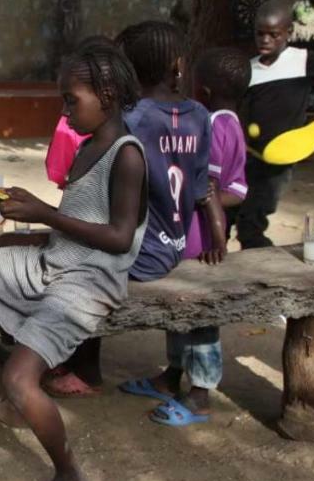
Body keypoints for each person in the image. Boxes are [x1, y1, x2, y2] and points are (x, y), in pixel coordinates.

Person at [0, 40, 147, 481]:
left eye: (73, 100)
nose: (66, 113)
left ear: (107, 95)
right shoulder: (89, 147)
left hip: (87, 284)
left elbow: (118, 238)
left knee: (18, 377)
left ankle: (69, 477)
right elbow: (68, 233)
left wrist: (44, 213)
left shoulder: (127, 156)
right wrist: (10, 234)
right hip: (57, 264)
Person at [48, 22, 218, 398]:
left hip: (141, 256)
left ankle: (82, 368)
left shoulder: (132, 120)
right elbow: (202, 185)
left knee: (72, 256)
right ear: (177, 66)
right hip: (176, 246)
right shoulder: (200, 116)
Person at [118, 47, 250, 425]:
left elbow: (210, 189)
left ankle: (200, 394)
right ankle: (173, 375)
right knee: (181, 307)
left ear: (202, 88)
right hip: (189, 232)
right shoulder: (224, 119)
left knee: (200, 315)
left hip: (200, 239)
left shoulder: (212, 122)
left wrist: (217, 237)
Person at [234, 0, 314, 249]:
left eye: (274, 34)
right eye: (260, 33)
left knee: (252, 220)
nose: (265, 40)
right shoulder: (249, 68)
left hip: (280, 159)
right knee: (231, 212)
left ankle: (261, 268)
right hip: (249, 155)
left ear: (288, 33)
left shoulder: (302, 60)